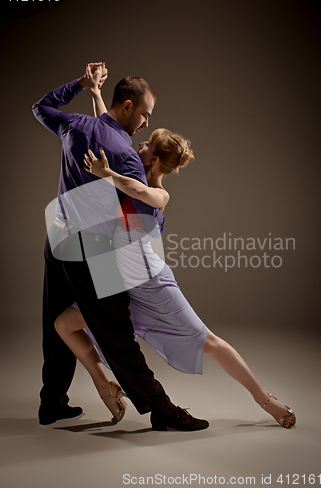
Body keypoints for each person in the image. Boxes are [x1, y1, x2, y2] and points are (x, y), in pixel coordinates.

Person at [54, 69, 296, 429]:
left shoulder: (156, 193)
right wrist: (95, 92)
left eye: (146, 145)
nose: (138, 144)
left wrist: (107, 176)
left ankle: (266, 401)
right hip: (116, 277)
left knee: (209, 341)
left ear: (152, 160)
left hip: (149, 281)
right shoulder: (127, 166)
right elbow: (109, 129)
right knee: (64, 323)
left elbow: (138, 192)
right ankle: (106, 385)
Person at [33, 62, 209, 432]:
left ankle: (52, 403)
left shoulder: (75, 126)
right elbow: (145, 220)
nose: (145, 123)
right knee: (117, 334)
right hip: (90, 250)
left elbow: (41, 107)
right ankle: (163, 410)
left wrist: (83, 84)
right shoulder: (126, 155)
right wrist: (160, 200)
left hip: (58, 238)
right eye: (144, 114)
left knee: (56, 322)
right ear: (127, 106)